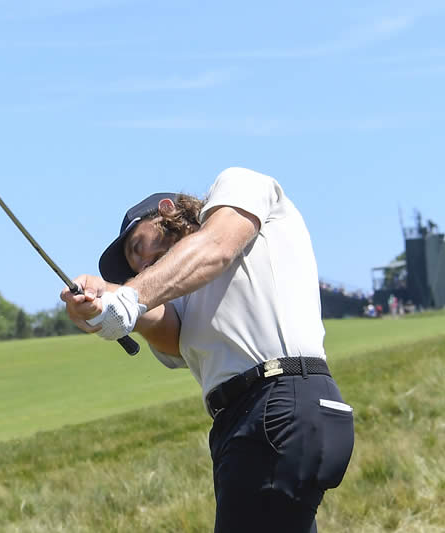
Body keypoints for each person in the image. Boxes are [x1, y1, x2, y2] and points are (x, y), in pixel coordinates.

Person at [61, 167, 354, 532]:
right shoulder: (182, 298)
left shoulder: (239, 185)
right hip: (246, 422)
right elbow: (168, 333)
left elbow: (216, 247)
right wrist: (102, 299)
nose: (143, 264)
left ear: (166, 210)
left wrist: (130, 296)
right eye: (135, 267)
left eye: (139, 246)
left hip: (279, 401)